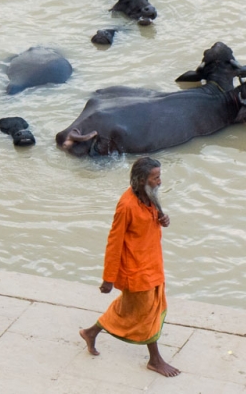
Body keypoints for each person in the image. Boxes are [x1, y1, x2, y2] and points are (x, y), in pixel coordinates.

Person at [79, 156, 181, 377]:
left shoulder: (149, 196)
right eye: (156, 178)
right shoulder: (126, 205)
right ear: (142, 179)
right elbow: (114, 242)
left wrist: (163, 219)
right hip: (137, 270)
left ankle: (91, 332)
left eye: (159, 176)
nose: (159, 182)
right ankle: (155, 360)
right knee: (146, 313)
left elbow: (153, 219)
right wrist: (108, 278)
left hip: (153, 263)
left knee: (133, 308)